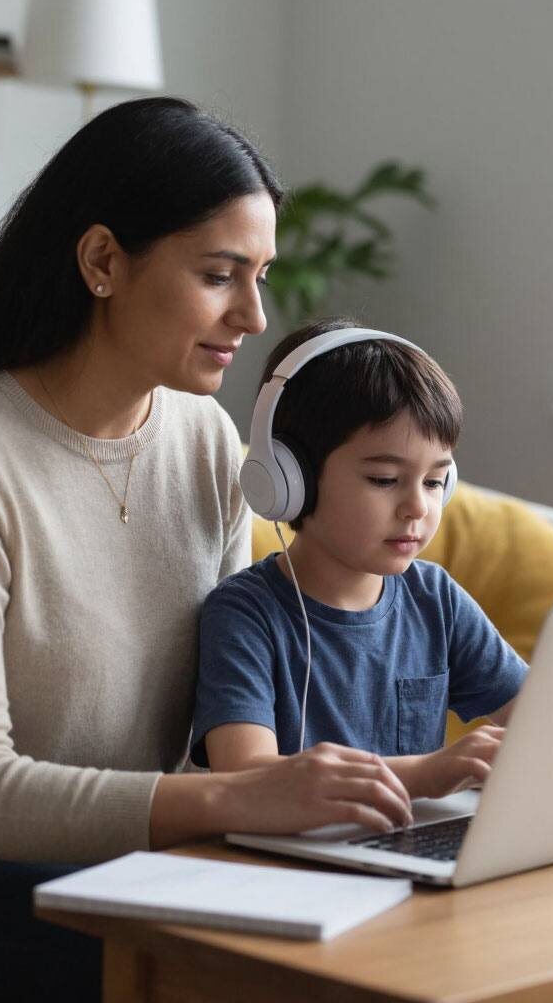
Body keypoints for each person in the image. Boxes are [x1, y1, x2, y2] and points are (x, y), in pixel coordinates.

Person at [0, 100, 413, 1003]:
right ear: (103, 262)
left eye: (261, 276)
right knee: (239, 972)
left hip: (121, 857)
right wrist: (236, 804)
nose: (252, 314)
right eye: (219, 275)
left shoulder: (205, 440)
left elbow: (221, 721)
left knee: (392, 922)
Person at [192, 317, 529, 799]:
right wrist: (425, 773)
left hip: (410, 838)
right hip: (291, 847)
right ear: (290, 480)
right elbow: (245, 777)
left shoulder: (436, 599)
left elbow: (543, 719)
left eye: (435, 482)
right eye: (385, 480)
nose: (418, 507)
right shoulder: (245, 615)